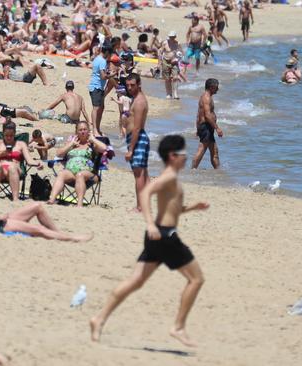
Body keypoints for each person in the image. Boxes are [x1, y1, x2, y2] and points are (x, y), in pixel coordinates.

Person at [90, 134, 207, 347]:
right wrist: (150, 223)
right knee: (196, 279)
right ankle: (178, 327)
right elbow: (146, 193)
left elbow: (172, 210)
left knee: (136, 281)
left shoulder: (172, 178)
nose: (186, 157)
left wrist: (192, 208)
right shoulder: (169, 177)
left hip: (158, 236)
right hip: (164, 236)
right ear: (172, 156)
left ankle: (98, 319)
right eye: (182, 154)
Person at [0, 200, 93, 242]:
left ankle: (59, 234)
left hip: (3, 217)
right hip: (1, 224)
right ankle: (73, 238)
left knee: (37, 206)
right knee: (38, 230)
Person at [46, 121, 107, 207]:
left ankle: (79, 204)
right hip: (71, 173)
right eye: (80, 130)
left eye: (85, 129)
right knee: (62, 174)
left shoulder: (92, 144)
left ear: (88, 131)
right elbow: (59, 154)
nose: (82, 131)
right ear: (76, 132)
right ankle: (52, 199)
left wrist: (93, 139)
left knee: (80, 174)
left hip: (89, 174)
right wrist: (71, 144)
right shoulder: (72, 143)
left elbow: (104, 148)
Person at [0, 121, 42, 201]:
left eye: (11, 136)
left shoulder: (21, 144)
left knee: (12, 167)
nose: (9, 138)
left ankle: (15, 199)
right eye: (6, 135)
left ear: (15, 133)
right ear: (3, 133)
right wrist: (0, 154)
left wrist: (37, 164)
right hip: (0, 170)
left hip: (15, 170)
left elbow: (29, 160)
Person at [123, 74, 150, 212]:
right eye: (128, 85)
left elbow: (137, 127)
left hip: (138, 139)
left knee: (138, 175)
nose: (129, 88)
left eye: (132, 85)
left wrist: (131, 150)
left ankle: (140, 207)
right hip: (136, 138)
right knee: (143, 173)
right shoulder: (135, 99)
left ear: (139, 84)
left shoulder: (139, 101)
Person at [192, 78, 223, 169]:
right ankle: (192, 170)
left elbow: (198, 115)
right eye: (216, 87)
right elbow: (207, 115)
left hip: (206, 127)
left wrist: (198, 129)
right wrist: (217, 128)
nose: (217, 89)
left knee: (214, 152)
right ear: (211, 87)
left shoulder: (206, 97)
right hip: (206, 127)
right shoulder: (206, 98)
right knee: (202, 149)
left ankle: (218, 172)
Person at [88, 44, 115, 136]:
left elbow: (100, 73)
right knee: (96, 108)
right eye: (110, 54)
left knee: (101, 108)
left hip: (98, 87)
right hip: (96, 87)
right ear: (107, 52)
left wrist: (108, 73)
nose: (110, 56)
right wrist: (113, 74)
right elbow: (103, 76)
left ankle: (98, 129)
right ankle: (94, 129)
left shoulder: (97, 58)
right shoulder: (102, 61)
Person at [159, 31, 182, 99]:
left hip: (174, 62)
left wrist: (177, 59)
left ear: (175, 37)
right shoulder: (165, 43)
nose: (171, 38)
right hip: (166, 62)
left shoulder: (177, 43)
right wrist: (159, 62)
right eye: (170, 37)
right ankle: (168, 94)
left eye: (172, 37)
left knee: (175, 77)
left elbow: (181, 54)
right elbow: (160, 52)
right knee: (167, 79)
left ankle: (175, 94)